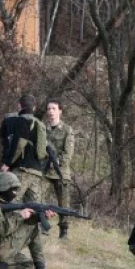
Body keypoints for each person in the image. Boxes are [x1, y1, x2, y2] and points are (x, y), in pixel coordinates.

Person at [0, 171, 60, 269]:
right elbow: (2, 230)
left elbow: (12, 223)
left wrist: (39, 217)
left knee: (27, 265)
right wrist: (21, 215)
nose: (14, 193)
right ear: (3, 188)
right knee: (32, 226)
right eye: (12, 189)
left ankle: (2, 266)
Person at [0, 94, 48, 203]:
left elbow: (19, 144)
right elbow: (43, 150)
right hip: (37, 172)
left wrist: (7, 163)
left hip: (22, 170)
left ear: (19, 106)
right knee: (34, 208)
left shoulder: (19, 121)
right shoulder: (40, 125)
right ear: (34, 108)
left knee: (10, 203)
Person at [43, 99, 75, 239]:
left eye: (54, 108)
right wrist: (46, 160)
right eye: (49, 109)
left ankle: (64, 230)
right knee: (40, 199)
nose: (50, 111)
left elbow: (68, 153)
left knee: (63, 203)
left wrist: (57, 161)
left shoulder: (67, 130)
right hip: (44, 170)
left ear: (60, 111)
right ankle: (41, 224)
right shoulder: (43, 129)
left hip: (61, 172)